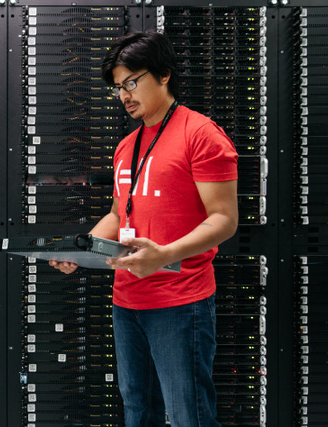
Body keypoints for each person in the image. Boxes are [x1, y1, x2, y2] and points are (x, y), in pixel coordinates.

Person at [50, 31, 238, 427]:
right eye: (118, 87)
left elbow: (224, 219)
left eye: (131, 82)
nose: (124, 95)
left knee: (190, 416)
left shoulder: (200, 134)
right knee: (138, 412)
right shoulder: (127, 146)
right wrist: (81, 248)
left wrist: (165, 255)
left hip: (180, 301)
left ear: (164, 74)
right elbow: (120, 214)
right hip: (127, 301)